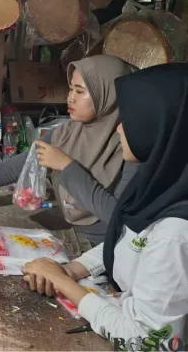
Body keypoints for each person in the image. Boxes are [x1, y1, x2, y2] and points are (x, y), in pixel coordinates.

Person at [22, 63, 188, 342]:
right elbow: (130, 240)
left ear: (162, 126)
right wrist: (71, 270)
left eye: (131, 120)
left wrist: (63, 282)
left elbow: (145, 342)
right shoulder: (156, 186)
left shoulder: (176, 233)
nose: (120, 129)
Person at [0, 55, 137, 243]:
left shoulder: (132, 146)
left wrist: (67, 166)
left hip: (104, 244)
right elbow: (17, 166)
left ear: (107, 95)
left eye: (80, 91)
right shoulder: (68, 132)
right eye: (70, 89)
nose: (71, 98)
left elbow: (116, 214)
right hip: (69, 228)